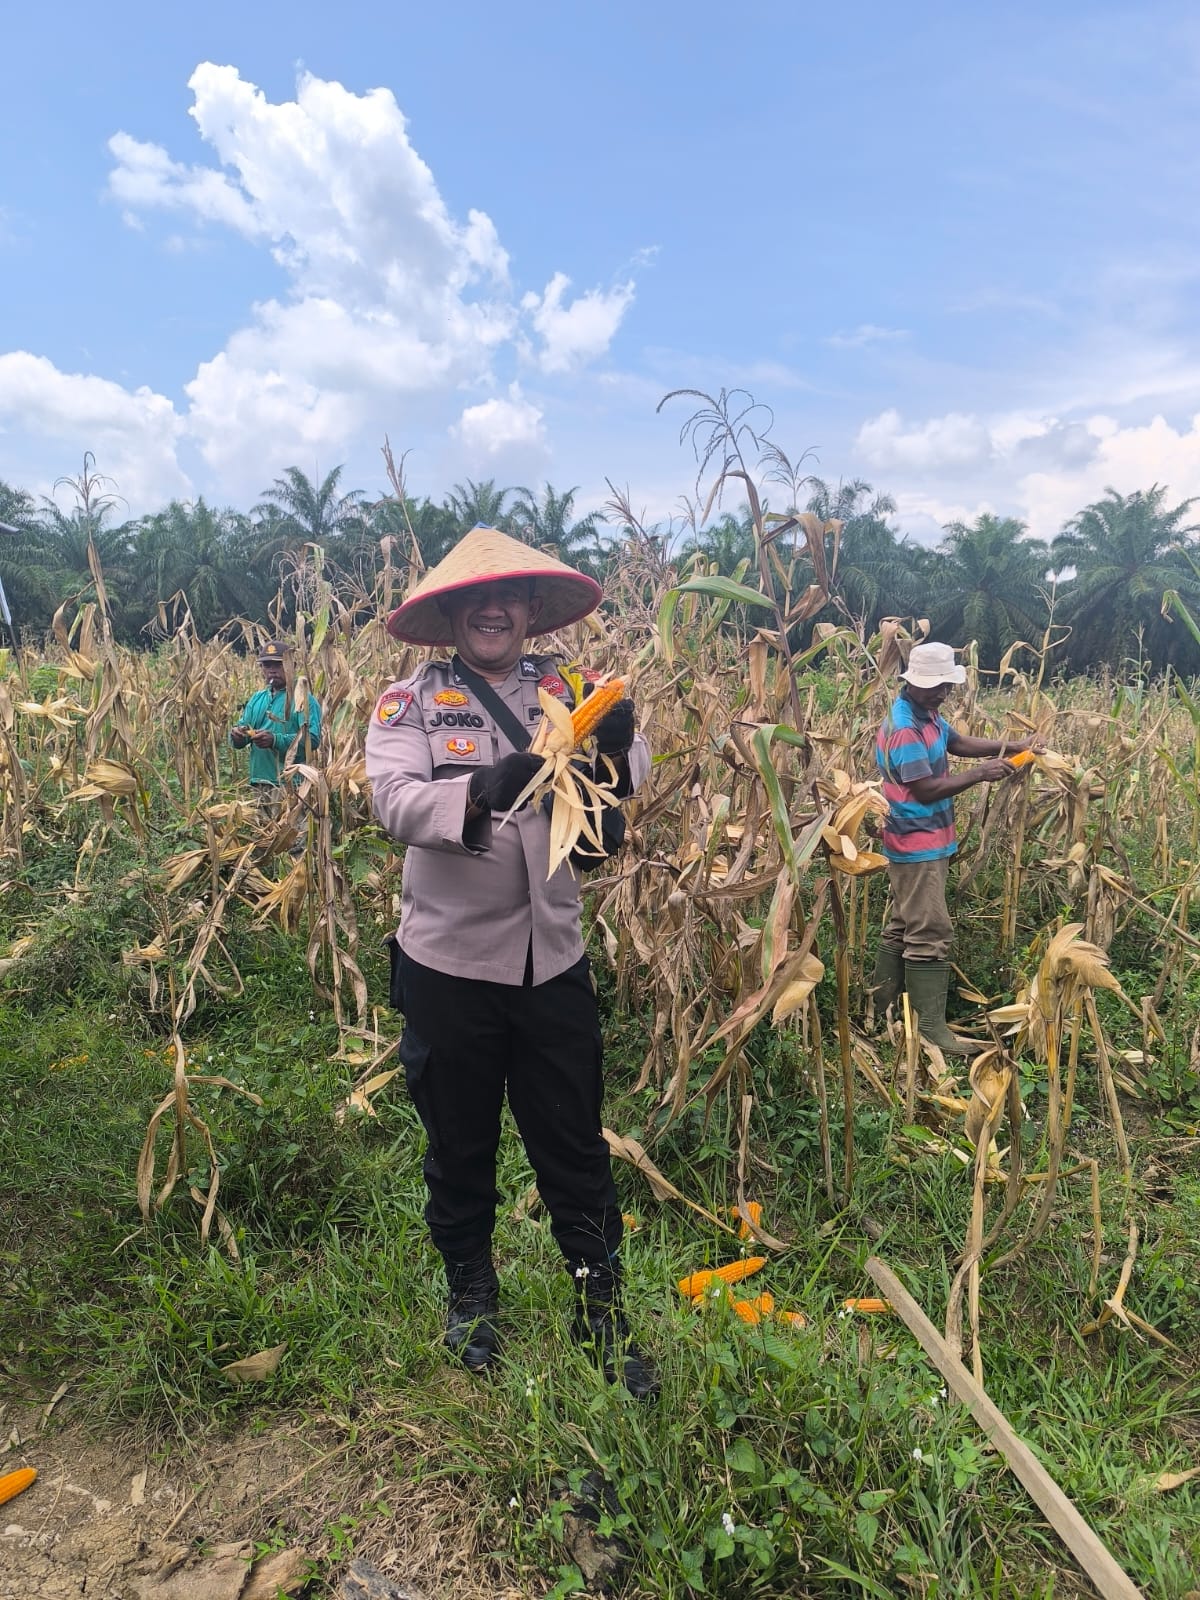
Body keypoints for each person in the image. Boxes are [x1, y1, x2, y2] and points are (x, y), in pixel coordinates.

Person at [365, 525, 658, 1399]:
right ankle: (472, 1297)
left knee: (573, 1145)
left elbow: (624, 772)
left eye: (509, 598)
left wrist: (616, 747)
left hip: (551, 961)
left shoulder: (571, 690)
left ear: (530, 611)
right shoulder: (408, 705)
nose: (492, 609)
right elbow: (395, 799)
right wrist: (481, 791)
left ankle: (600, 1311)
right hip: (451, 966)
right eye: (474, 599)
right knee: (460, 1143)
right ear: (453, 612)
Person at [871, 640, 1037, 1056]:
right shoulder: (905, 727)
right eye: (935, 686)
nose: (942, 692)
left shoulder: (926, 714)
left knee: (903, 922)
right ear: (913, 683)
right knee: (929, 930)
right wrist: (981, 775)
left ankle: (879, 1011)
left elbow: (957, 742)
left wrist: (1009, 747)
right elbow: (925, 789)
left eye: (947, 685)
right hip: (916, 841)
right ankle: (931, 1030)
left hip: (926, 838)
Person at [230, 640, 322, 810]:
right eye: (267, 665)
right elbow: (242, 732)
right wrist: (237, 735)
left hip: (291, 785)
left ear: (292, 666)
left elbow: (313, 739)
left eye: (278, 665)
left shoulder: (303, 699)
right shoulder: (257, 699)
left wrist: (275, 740)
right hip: (260, 783)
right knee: (264, 835)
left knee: (292, 834)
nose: (272, 670)